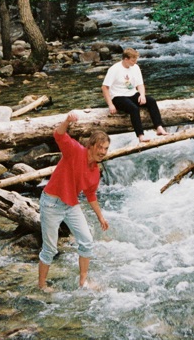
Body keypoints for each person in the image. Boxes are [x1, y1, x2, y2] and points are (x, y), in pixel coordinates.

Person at [38, 111, 110, 292]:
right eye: (100, 147)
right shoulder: (75, 150)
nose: (103, 152)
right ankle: (42, 285)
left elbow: (91, 195)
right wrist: (67, 121)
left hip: (70, 205)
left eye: (106, 149)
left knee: (86, 241)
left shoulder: (95, 171)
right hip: (51, 203)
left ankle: (83, 282)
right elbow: (58, 135)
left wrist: (100, 217)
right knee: (50, 249)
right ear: (91, 146)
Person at [102, 47, 168, 142]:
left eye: (136, 60)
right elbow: (104, 87)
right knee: (134, 108)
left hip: (132, 94)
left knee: (152, 101)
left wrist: (142, 95)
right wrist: (110, 104)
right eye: (133, 60)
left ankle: (159, 127)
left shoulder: (135, 67)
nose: (135, 62)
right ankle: (141, 135)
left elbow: (140, 84)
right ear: (126, 59)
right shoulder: (114, 69)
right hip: (118, 96)